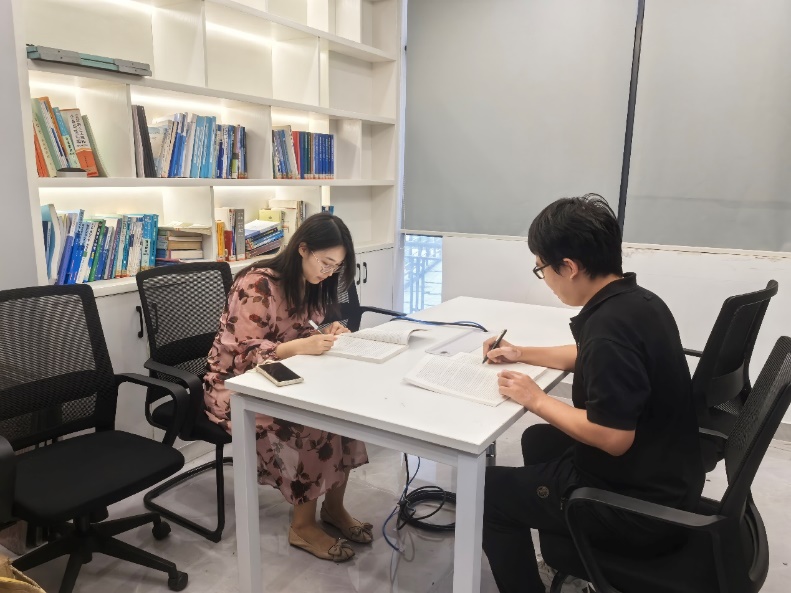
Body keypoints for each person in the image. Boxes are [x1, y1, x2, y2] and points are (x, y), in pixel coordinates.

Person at [481, 194, 705, 592]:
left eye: (541, 269)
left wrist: (537, 399)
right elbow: (586, 354)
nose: (544, 279)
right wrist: (521, 352)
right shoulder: (637, 302)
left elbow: (613, 437)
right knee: (539, 439)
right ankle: (572, 553)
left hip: (639, 511)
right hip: (668, 478)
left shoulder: (609, 330)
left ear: (568, 267)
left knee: (488, 494)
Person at [204, 213, 371, 563]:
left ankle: (334, 509)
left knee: (343, 414)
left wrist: (326, 333)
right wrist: (296, 347)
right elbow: (240, 352)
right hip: (235, 386)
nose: (329, 273)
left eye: (336, 267)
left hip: (282, 375)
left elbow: (300, 329)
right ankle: (303, 526)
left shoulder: (310, 281)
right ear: (303, 249)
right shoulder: (257, 284)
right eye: (325, 263)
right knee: (309, 423)